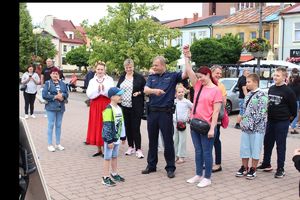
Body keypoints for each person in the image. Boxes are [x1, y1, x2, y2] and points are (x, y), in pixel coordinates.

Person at [141, 56, 187, 179]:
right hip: (152, 113)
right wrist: (154, 91)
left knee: (168, 142)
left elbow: (186, 73)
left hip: (165, 114)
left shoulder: (172, 76)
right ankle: (151, 165)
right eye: (153, 65)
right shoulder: (151, 77)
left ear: (162, 65)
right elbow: (145, 90)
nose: (153, 67)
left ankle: (170, 167)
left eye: (156, 65)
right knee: (152, 141)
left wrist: (187, 57)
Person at [183, 45, 222, 188]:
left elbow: (216, 112)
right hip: (195, 124)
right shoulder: (199, 86)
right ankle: (198, 174)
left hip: (207, 126)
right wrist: (187, 56)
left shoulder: (216, 90)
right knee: (198, 151)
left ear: (208, 75)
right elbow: (189, 70)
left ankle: (207, 177)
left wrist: (212, 129)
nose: (199, 79)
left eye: (202, 77)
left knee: (206, 152)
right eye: (198, 77)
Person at [257, 67, 297, 178]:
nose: (275, 77)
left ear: (284, 77)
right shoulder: (272, 88)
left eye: (278, 75)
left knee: (280, 146)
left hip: (282, 123)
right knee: (267, 143)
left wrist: (287, 121)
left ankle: (280, 169)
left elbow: (294, 109)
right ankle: (266, 163)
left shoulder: (288, 91)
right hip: (270, 121)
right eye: (274, 75)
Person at [235, 73, 268, 179]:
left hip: (257, 129)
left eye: (248, 82)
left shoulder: (262, 95)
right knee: (244, 148)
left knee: (255, 148)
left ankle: (253, 169)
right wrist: (242, 119)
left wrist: (251, 123)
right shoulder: (248, 95)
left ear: (255, 82)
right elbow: (244, 110)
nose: (246, 84)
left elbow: (262, 113)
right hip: (246, 128)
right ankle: (244, 167)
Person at [117, 59, 146, 159]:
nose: (128, 69)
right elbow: (118, 89)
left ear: (133, 67)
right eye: (126, 67)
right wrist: (118, 96)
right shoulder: (122, 77)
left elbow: (145, 89)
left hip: (136, 106)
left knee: (136, 128)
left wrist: (139, 93)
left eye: (130, 67)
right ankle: (130, 147)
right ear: (124, 68)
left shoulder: (139, 77)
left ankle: (138, 149)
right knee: (128, 127)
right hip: (124, 106)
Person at [85, 61, 114, 157]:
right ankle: (99, 149)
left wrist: (104, 90)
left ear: (105, 70)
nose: (100, 71)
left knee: (106, 125)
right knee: (96, 125)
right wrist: (97, 90)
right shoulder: (92, 81)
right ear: (95, 70)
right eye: (98, 69)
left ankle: (106, 149)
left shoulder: (109, 79)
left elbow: (112, 92)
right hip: (96, 105)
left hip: (106, 104)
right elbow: (89, 94)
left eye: (102, 69)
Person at [101, 87, 126, 187]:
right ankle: (105, 177)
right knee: (107, 158)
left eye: (121, 95)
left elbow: (122, 123)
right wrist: (109, 140)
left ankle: (114, 174)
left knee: (115, 156)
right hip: (110, 140)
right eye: (119, 95)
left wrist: (123, 136)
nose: (121, 97)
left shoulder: (119, 108)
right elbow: (106, 126)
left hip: (117, 138)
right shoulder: (108, 110)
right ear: (112, 97)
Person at [42, 67, 69, 152]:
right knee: (51, 125)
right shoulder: (47, 83)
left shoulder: (63, 83)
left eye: (56, 74)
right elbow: (44, 95)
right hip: (51, 107)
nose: (55, 75)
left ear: (59, 75)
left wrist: (62, 96)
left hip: (61, 107)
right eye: (53, 73)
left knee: (58, 125)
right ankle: (50, 144)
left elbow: (66, 93)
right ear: (50, 75)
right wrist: (55, 97)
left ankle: (58, 144)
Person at [211, 65, 227, 173]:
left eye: (220, 73)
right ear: (211, 73)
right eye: (217, 73)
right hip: (205, 117)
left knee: (216, 140)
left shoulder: (220, 86)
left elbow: (224, 103)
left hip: (215, 118)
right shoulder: (206, 84)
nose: (219, 75)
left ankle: (218, 163)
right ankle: (208, 161)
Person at [173, 83, 193, 164]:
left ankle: (181, 156)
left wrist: (189, 116)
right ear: (175, 93)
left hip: (183, 123)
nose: (181, 93)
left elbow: (194, 107)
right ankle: (176, 155)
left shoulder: (186, 102)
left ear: (184, 92)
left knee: (182, 140)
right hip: (175, 123)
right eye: (179, 92)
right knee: (175, 139)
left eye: (182, 92)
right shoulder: (174, 101)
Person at [288, 68, 300, 134]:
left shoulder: (290, 83)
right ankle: (292, 126)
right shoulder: (297, 83)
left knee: (293, 114)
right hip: (297, 100)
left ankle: (292, 126)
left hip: (292, 100)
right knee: (296, 114)